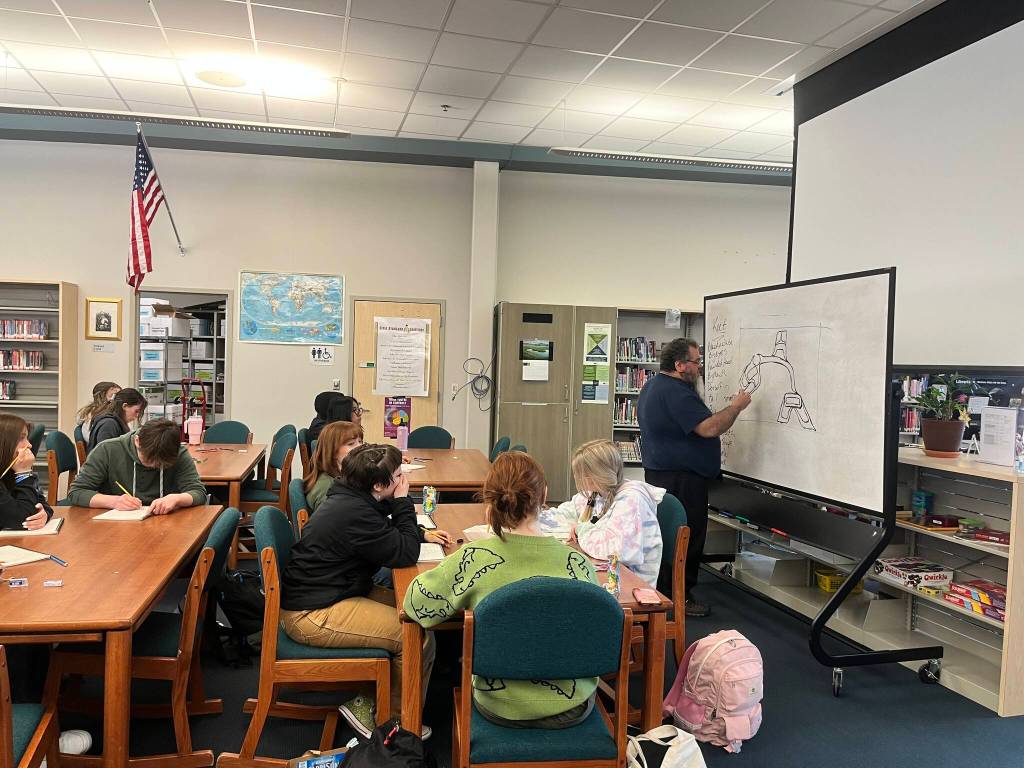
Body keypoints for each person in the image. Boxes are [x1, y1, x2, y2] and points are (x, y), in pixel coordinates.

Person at [403, 451, 601, 730]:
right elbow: (597, 630)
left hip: (498, 706)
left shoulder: (474, 558)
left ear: (489, 498)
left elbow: (414, 605)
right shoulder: (578, 564)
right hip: (572, 705)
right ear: (544, 495)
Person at [280, 444, 451, 740]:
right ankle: (398, 726)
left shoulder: (348, 494)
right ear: (378, 484)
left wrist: (419, 530)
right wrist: (402, 503)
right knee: (415, 635)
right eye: (398, 476)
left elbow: (383, 522)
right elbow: (405, 553)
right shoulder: (353, 512)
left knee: (417, 609)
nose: (402, 481)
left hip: (331, 592)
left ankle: (369, 700)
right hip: (312, 613)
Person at [637, 338, 752, 618]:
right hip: (682, 480)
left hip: (663, 475)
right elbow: (709, 428)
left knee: (669, 536)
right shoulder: (677, 393)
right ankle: (680, 597)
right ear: (679, 365)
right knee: (686, 538)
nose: (699, 368)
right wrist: (736, 407)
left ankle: (665, 592)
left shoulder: (653, 385)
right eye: (696, 362)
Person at [552, 439, 664, 588]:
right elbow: (565, 513)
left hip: (631, 584)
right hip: (609, 576)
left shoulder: (632, 500)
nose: (579, 478)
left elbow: (613, 550)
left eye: (583, 474)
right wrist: (530, 515)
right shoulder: (597, 493)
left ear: (597, 474)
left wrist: (580, 528)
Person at [68, 419, 206, 514]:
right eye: (149, 459)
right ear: (137, 441)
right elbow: (77, 492)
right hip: (116, 529)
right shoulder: (108, 450)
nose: (153, 466)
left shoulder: (178, 453)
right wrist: (114, 501)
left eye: (161, 464)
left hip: (164, 525)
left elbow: (198, 492)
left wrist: (176, 499)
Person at [0, 414, 53, 531]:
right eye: (21, 438)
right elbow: (23, 518)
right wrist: (24, 473)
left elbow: (40, 500)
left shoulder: (11, 468)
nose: (29, 445)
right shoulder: (21, 469)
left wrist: (44, 514)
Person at [304, 420, 364, 512]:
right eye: (351, 444)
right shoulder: (327, 489)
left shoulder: (342, 478)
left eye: (360, 441)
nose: (360, 447)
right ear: (333, 451)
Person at [86, 387, 147, 453]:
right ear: (125, 406)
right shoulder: (109, 425)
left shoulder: (115, 422)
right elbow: (107, 456)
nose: (137, 415)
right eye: (136, 411)